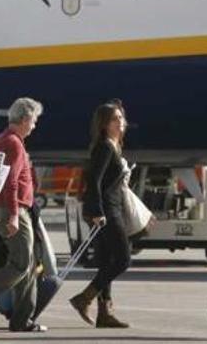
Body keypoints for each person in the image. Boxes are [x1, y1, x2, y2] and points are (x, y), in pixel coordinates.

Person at [0, 98, 46, 332]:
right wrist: (13, 214)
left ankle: (22, 319)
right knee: (21, 264)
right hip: (13, 210)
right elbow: (11, 183)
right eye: (33, 121)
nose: (34, 126)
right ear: (24, 119)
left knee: (27, 264)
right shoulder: (13, 143)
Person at [69, 101, 132, 329]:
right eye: (115, 119)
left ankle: (104, 313)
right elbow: (93, 180)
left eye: (121, 118)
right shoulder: (105, 146)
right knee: (123, 259)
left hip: (112, 206)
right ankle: (84, 298)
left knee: (106, 260)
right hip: (105, 210)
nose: (120, 122)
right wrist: (96, 211)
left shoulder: (114, 145)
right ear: (104, 124)